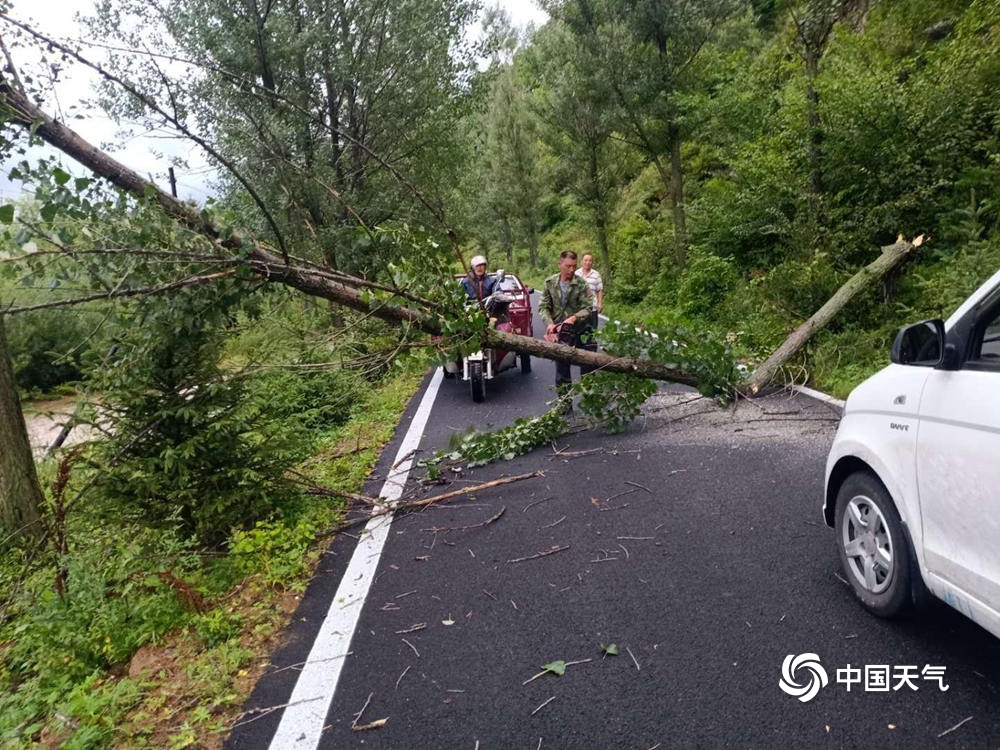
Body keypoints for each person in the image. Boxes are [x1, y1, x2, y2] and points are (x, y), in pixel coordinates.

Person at [540, 250, 595, 397]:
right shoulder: (550, 283)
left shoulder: (581, 284)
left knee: (588, 369)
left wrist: (574, 318)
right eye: (568, 266)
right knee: (562, 371)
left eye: (574, 266)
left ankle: (590, 403)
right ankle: (564, 406)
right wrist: (550, 323)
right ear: (560, 264)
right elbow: (543, 306)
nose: (571, 269)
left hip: (582, 331)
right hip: (562, 333)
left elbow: (588, 308)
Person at [574, 253, 603, 350]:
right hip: (578, 309)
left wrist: (599, 303)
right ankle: (578, 355)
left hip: (592, 308)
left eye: (590, 260)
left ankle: (592, 357)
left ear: (592, 262)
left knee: (592, 333)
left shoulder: (596, 275)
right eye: (585, 260)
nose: (588, 262)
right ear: (581, 262)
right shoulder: (576, 274)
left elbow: (599, 289)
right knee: (577, 332)